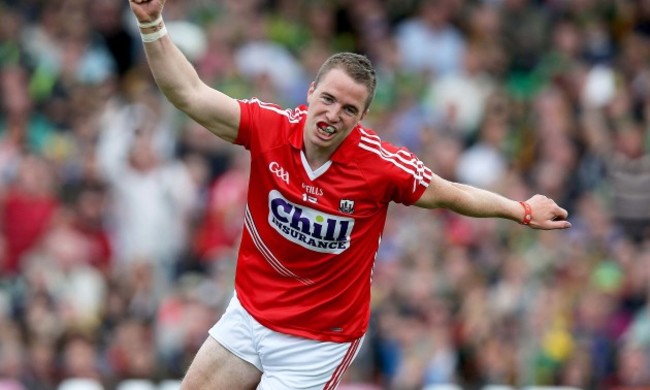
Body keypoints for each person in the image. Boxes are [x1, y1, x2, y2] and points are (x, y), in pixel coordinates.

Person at [127, 1, 572, 388]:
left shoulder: (380, 166)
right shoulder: (270, 129)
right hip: (248, 315)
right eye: (327, 99)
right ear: (310, 93)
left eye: (349, 109)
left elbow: (447, 193)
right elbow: (189, 94)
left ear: (361, 118)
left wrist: (520, 210)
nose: (332, 114)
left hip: (318, 341)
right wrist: (152, 25)